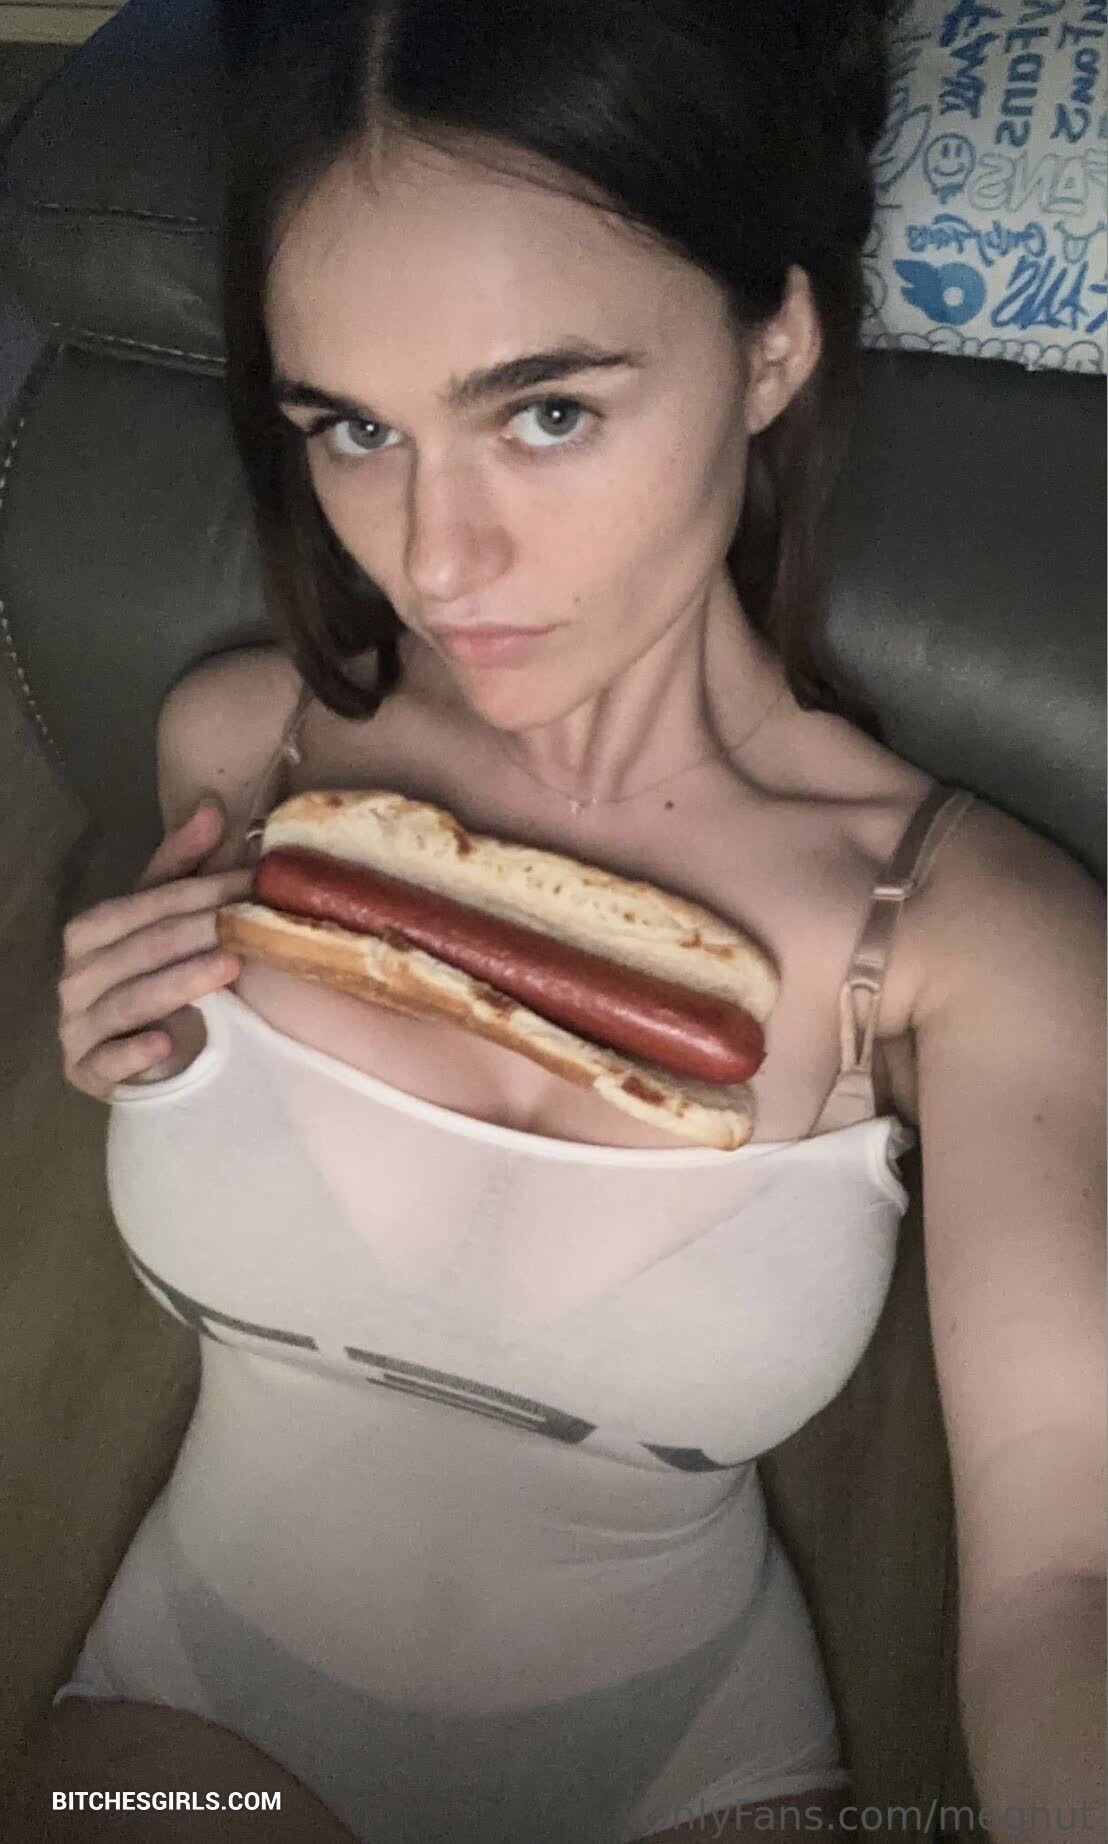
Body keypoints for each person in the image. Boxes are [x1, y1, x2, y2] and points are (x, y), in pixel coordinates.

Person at [24, 1, 1103, 1841]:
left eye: (545, 412)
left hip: (695, 1768)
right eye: (354, 428)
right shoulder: (241, 747)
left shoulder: (971, 937)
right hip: (184, 1725)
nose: (434, 559)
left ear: (772, 346)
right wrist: (141, 1051)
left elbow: (1064, 1570)